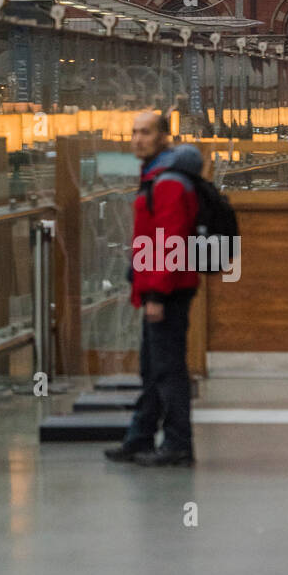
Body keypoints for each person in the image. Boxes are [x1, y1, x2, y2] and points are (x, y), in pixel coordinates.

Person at [105, 110, 201, 468]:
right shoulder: (156, 177)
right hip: (157, 288)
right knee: (152, 368)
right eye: (133, 132)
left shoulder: (169, 182)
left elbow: (168, 242)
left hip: (167, 291)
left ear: (164, 137)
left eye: (146, 132)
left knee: (168, 369)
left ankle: (178, 444)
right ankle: (140, 437)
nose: (137, 139)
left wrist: (157, 295)